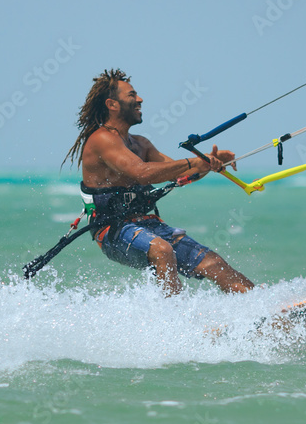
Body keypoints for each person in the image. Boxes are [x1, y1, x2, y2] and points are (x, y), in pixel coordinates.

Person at [62, 69, 255, 296]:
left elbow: (179, 173)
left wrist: (207, 163)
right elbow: (142, 173)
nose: (140, 99)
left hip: (149, 225)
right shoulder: (102, 139)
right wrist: (193, 162)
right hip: (112, 230)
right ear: (112, 104)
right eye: (132, 95)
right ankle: (172, 321)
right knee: (162, 250)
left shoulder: (141, 143)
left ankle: (263, 307)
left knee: (213, 263)